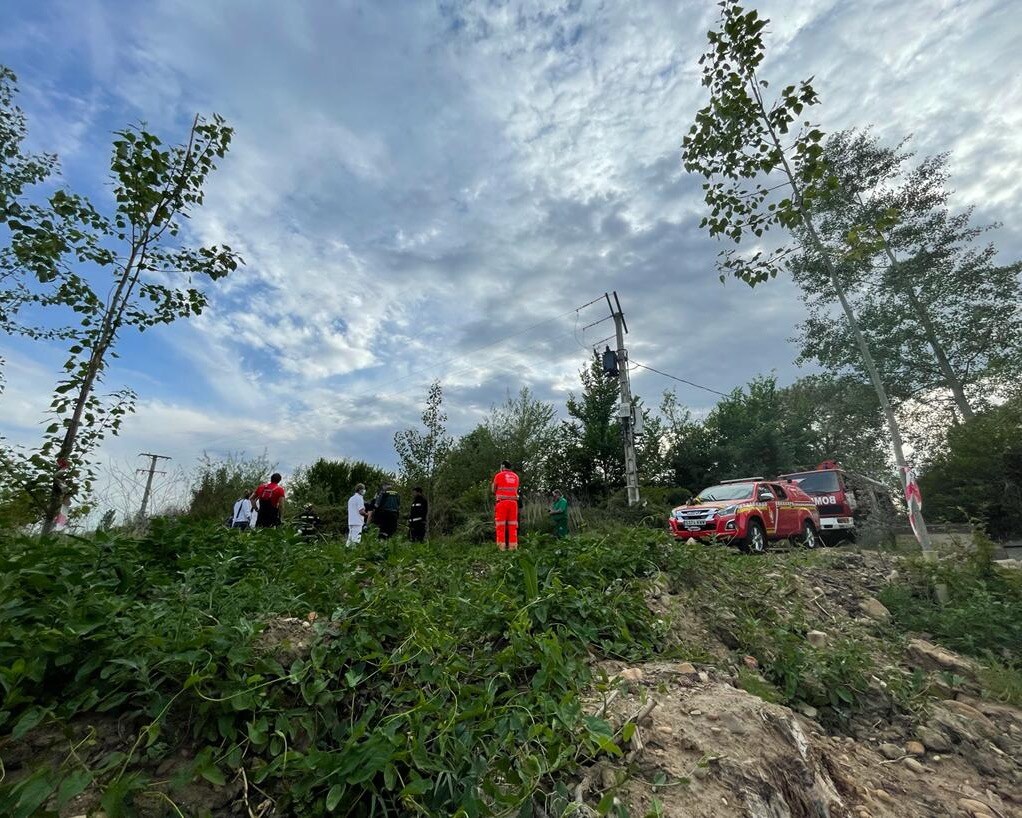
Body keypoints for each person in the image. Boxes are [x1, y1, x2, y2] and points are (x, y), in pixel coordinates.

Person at [492, 460, 520, 551]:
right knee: (513, 526)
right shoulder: (516, 477)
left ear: (503, 466)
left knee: (500, 526)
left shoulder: (498, 475)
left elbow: (493, 490)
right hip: (514, 503)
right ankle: (513, 548)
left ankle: (501, 549)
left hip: (502, 503)